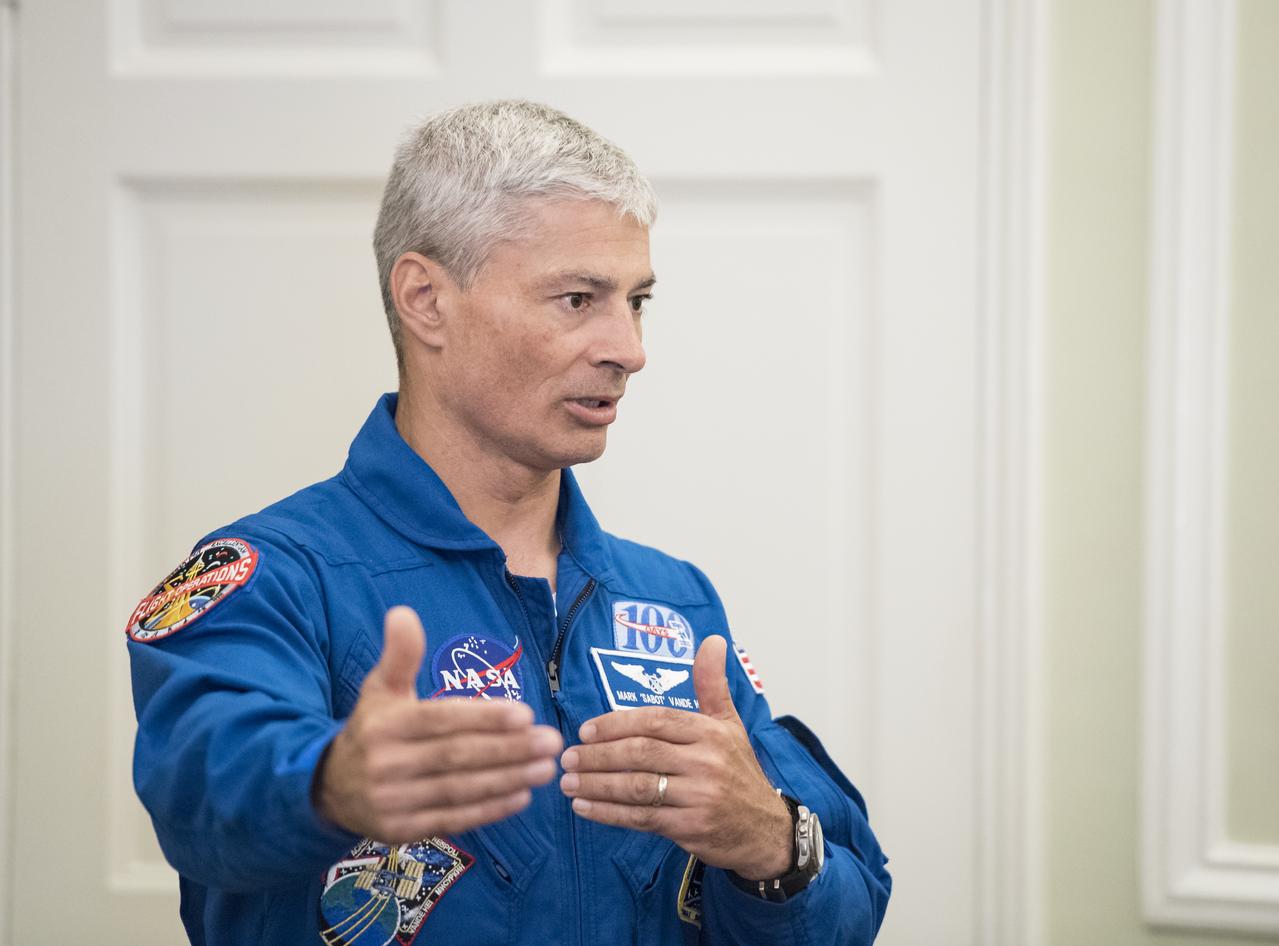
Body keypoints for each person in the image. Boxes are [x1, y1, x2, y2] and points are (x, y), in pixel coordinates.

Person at [126, 100, 891, 945]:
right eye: (576, 299)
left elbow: (852, 906)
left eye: (635, 301)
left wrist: (772, 845)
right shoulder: (274, 576)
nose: (628, 348)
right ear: (425, 299)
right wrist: (331, 782)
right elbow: (197, 790)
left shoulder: (672, 603)